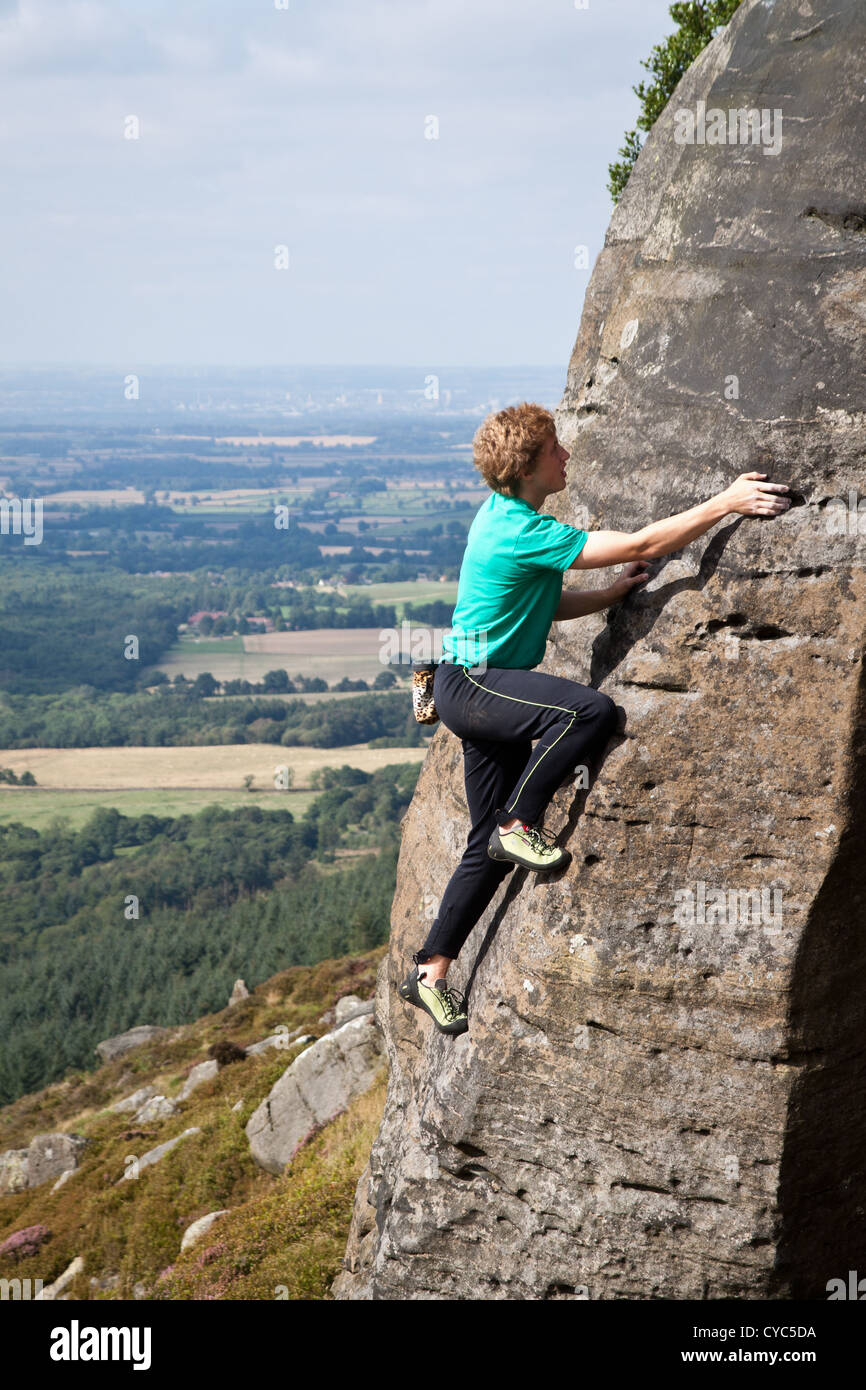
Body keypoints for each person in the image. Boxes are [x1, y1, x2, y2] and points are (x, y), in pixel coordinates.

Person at [399, 402, 791, 1037]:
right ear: (528, 466)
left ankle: (431, 970)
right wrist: (726, 502)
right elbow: (639, 544)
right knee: (589, 712)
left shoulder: (508, 518)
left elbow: (539, 603)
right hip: (472, 685)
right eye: (555, 449)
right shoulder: (522, 530)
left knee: (483, 848)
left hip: (471, 688)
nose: (566, 456)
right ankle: (520, 821)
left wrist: (609, 595)